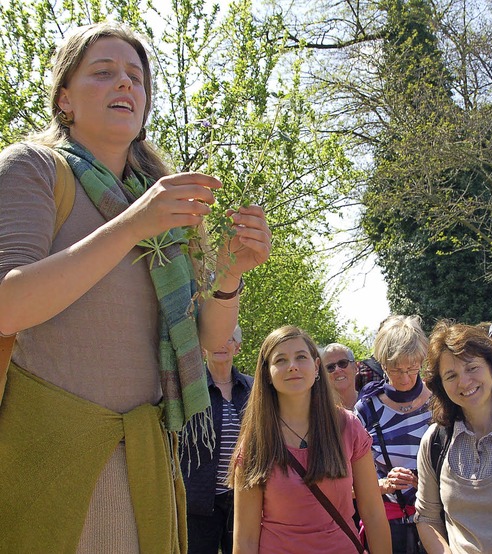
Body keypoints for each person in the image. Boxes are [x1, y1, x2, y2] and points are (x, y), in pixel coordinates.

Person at [0, 22, 271, 553]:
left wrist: (231, 272)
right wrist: (130, 226)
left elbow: (207, 339)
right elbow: (9, 304)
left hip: (147, 458)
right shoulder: (31, 167)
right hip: (48, 450)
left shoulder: (162, 204)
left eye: (136, 78)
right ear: (65, 100)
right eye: (103, 73)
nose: (125, 84)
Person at [230, 326, 391, 553]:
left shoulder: (348, 427)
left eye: (301, 357)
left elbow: (373, 513)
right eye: (281, 360)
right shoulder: (256, 443)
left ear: (316, 367)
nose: (292, 365)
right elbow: (245, 538)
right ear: (267, 373)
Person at [414, 320, 492, 553]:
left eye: (471, 368)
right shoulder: (435, 441)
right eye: (451, 375)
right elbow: (427, 518)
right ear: (440, 385)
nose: (464, 382)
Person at [355, 315, 432, 554]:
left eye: (412, 367)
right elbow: (345, 478)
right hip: (387, 523)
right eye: (396, 369)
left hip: (436, 518)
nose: (405, 378)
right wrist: (381, 484)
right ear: (382, 363)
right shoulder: (366, 410)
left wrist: (430, 481)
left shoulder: (439, 401)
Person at [181, 325, 253, 554]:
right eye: (215, 338)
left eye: (228, 338)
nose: (221, 344)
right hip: (199, 501)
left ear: (238, 347)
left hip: (244, 499)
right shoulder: (189, 388)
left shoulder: (253, 388)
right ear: (203, 348)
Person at [322, 342, 358, 410]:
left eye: (343, 363)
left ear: (355, 367)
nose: (337, 370)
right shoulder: (321, 412)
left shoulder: (372, 406)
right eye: (330, 367)